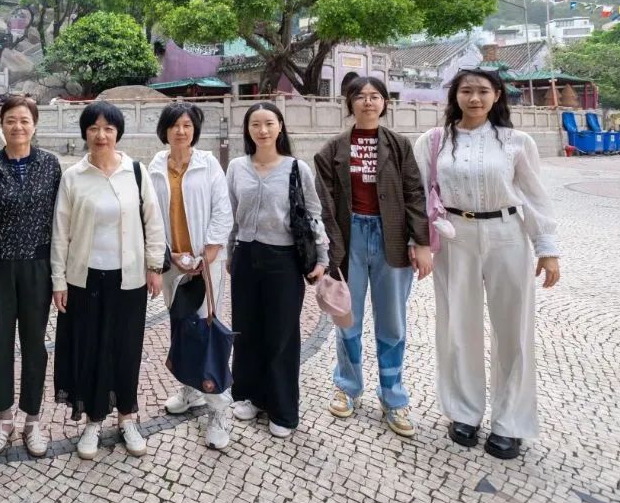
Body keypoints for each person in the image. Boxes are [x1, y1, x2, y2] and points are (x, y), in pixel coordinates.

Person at [414, 68, 561, 460]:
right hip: (454, 235)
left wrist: (546, 248)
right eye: (466, 91)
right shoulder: (434, 141)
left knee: (513, 329)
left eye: (483, 91)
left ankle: (510, 422)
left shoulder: (517, 142)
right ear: (455, 96)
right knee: (457, 325)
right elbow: (419, 195)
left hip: (507, 233)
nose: (474, 98)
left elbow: (534, 195)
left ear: (497, 95)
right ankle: (464, 412)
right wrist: (418, 242)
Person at [314, 76, 430, 439]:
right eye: (360, 96)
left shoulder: (399, 145)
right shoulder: (332, 149)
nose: (368, 102)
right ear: (349, 103)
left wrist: (421, 241)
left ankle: (393, 395)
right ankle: (347, 386)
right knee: (347, 317)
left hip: (390, 237)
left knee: (392, 321)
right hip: (349, 238)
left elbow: (414, 192)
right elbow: (324, 204)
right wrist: (332, 249)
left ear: (384, 103)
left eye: (375, 96)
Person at [53, 101, 167, 460]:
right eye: (93, 128)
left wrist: (154, 266)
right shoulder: (74, 176)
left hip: (128, 279)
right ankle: (93, 419)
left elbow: (153, 221)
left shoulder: (135, 171)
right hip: (84, 279)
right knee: (90, 348)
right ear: (84, 133)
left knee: (126, 348)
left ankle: (127, 417)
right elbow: (60, 232)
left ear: (118, 133)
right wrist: (58, 280)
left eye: (108, 128)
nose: (101, 135)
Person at [0, 96, 62, 457]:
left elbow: (61, 221)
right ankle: (4, 418)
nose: (17, 127)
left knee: (35, 344)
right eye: (10, 120)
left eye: (24, 120)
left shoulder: (50, 166)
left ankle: (32, 420)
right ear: (0, 124)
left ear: (34, 125)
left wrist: (61, 274)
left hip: (38, 267)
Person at [227, 102, 329, 440]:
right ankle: (250, 395)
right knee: (246, 329)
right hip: (245, 255)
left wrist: (322, 257)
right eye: (255, 124)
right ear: (248, 130)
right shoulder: (237, 167)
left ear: (280, 127)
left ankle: (282, 408)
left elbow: (313, 214)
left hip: (283, 259)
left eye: (269, 123)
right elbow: (230, 215)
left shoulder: (297, 168)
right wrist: (229, 252)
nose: (263, 130)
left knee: (282, 333)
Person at [149, 103, 234, 450]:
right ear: (165, 130)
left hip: (204, 264)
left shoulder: (208, 164)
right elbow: (151, 216)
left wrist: (207, 254)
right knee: (181, 326)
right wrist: (167, 255)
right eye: (175, 125)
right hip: (173, 264)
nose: (181, 131)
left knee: (205, 329)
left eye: (187, 125)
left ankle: (219, 408)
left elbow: (223, 211)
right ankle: (190, 389)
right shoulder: (155, 166)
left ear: (195, 130)